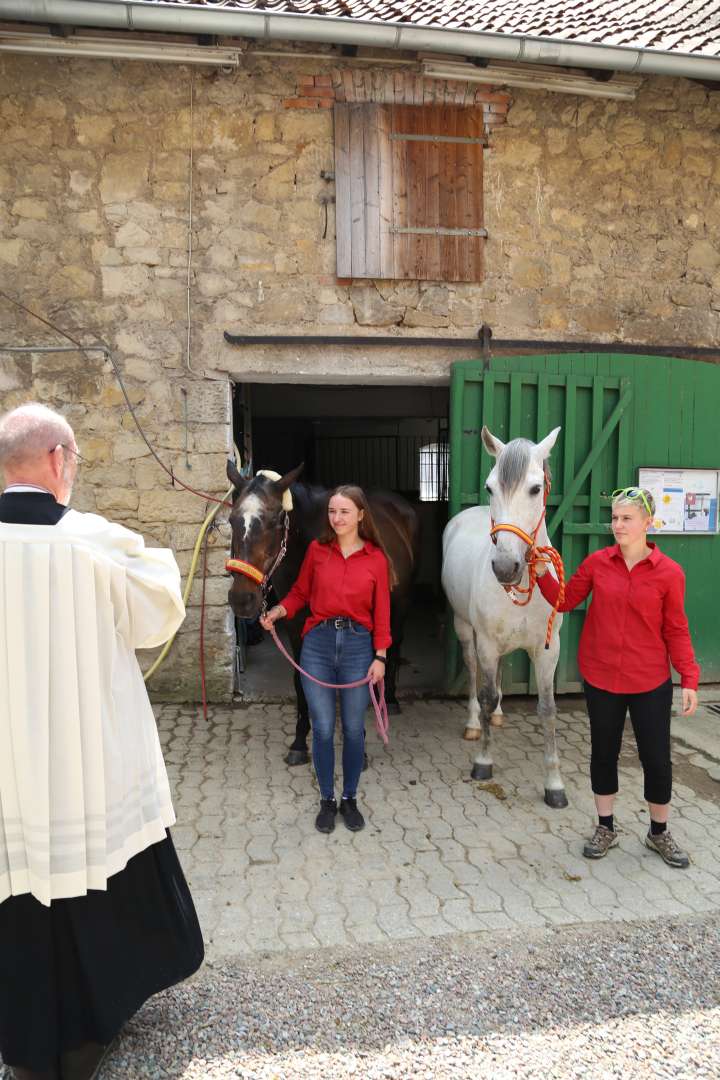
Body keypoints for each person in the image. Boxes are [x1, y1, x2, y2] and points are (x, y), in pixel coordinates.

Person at [0, 404, 204, 1080]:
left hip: (9, 770)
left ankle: (26, 1041)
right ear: (57, 461)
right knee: (94, 876)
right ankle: (86, 1031)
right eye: (76, 464)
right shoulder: (93, 542)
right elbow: (156, 615)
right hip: (87, 759)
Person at [536, 486, 699, 868]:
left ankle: (658, 833)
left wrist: (689, 678)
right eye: (615, 518)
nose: (618, 525)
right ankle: (605, 826)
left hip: (649, 681)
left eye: (626, 518)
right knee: (603, 755)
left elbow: (676, 628)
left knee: (657, 759)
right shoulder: (597, 564)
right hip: (602, 677)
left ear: (648, 523)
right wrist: (542, 574)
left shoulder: (669, 573)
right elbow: (565, 600)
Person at [260, 485, 392, 834]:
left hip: (358, 646)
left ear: (361, 515)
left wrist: (380, 656)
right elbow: (302, 592)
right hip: (317, 644)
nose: (337, 518)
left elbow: (382, 613)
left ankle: (349, 799)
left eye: (345, 512)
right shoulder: (318, 551)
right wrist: (279, 610)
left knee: (352, 729)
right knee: (320, 728)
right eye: (332, 511)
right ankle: (326, 800)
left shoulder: (376, 559)